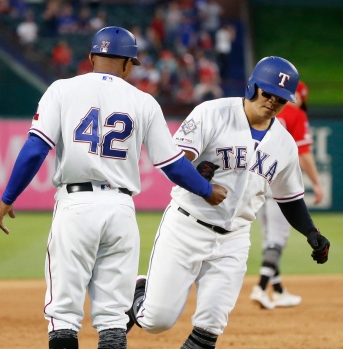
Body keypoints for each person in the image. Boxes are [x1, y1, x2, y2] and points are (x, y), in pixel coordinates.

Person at [0, 26, 227, 349]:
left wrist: (8, 198)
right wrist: (205, 189)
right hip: (120, 210)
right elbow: (173, 165)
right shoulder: (144, 102)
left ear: (90, 57)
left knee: (63, 315)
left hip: (75, 206)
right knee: (113, 319)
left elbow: (36, 149)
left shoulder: (61, 90)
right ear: (128, 65)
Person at [126, 56, 331, 347]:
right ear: (252, 87)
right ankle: (138, 290)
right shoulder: (212, 112)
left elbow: (290, 197)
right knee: (157, 321)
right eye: (267, 93)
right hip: (187, 226)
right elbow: (175, 160)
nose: (273, 101)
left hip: (234, 238)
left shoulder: (284, 142)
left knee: (210, 328)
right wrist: (197, 176)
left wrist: (312, 232)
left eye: (281, 98)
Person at [249, 80, 324, 310]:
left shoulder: (256, 109)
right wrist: (316, 183)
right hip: (280, 187)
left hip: (257, 183)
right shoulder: (296, 115)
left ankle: (278, 290)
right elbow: (304, 153)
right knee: (277, 240)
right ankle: (261, 288)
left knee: (269, 239)